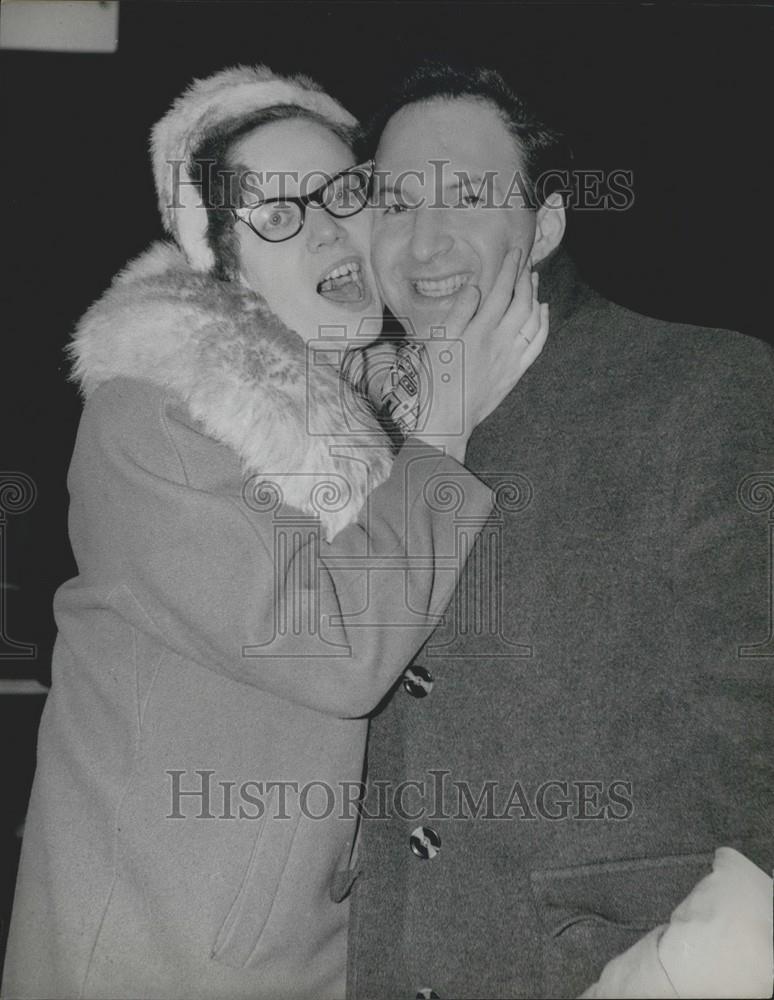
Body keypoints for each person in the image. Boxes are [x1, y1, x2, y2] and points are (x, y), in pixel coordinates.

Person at [0, 66, 548, 1000]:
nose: (330, 226)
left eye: (343, 192)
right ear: (222, 262)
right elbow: (338, 653)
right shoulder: (157, 417)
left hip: (297, 950)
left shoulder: (365, 420)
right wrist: (446, 426)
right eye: (279, 211)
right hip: (158, 954)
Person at [346, 64, 774, 999]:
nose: (425, 242)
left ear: (544, 224)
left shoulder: (706, 392)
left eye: (469, 195)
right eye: (395, 201)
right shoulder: (357, 432)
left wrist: (677, 975)